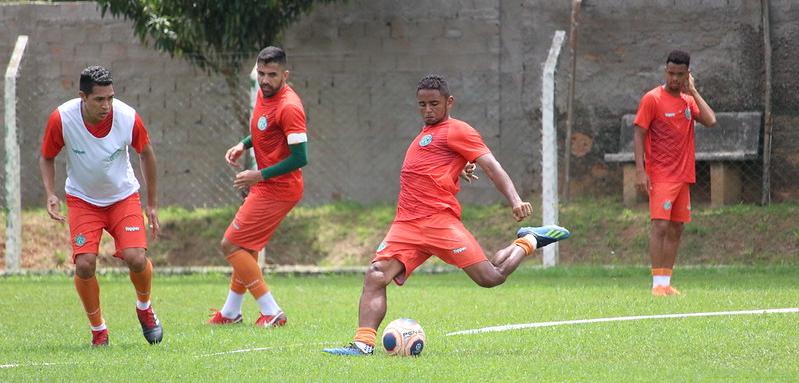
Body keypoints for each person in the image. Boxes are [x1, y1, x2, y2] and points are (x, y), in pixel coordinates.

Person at [323, 74, 570, 356]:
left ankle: (528, 241)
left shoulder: (458, 130)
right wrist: (457, 167)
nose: (427, 110)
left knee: (490, 277)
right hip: (406, 223)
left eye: (434, 104)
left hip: (439, 222)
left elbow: (491, 166)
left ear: (449, 102)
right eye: (422, 105)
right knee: (376, 274)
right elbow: (435, 164)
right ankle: (362, 344)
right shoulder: (426, 134)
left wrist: (515, 200)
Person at [39, 65, 163, 346]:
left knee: (137, 258)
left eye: (110, 97)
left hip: (123, 197)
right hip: (83, 199)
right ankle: (99, 330)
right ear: (82, 96)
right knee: (84, 264)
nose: (107, 105)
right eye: (99, 99)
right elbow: (46, 156)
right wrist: (50, 193)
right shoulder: (62, 118)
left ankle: (144, 309)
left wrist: (152, 204)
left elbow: (146, 153)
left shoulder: (128, 116)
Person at [207, 46, 308, 327]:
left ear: (285, 75)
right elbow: (263, 128)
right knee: (246, 248)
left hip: (280, 188)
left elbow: (301, 158)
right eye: (261, 73)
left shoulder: (290, 107)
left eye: (272, 75)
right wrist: (243, 143)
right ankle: (230, 313)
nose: (265, 80)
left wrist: (259, 175)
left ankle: (272, 310)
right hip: (268, 185)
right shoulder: (266, 95)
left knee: (230, 244)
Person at [633, 50, 717, 296]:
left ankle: (665, 283)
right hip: (660, 174)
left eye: (680, 75)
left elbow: (711, 120)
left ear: (687, 75)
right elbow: (639, 133)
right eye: (671, 73)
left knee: (677, 228)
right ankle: (656, 284)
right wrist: (641, 170)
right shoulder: (652, 99)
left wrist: (693, 91)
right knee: (660, 225)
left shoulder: (688, 101)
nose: (675, 79)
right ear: (665, 71)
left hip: (684, 175)